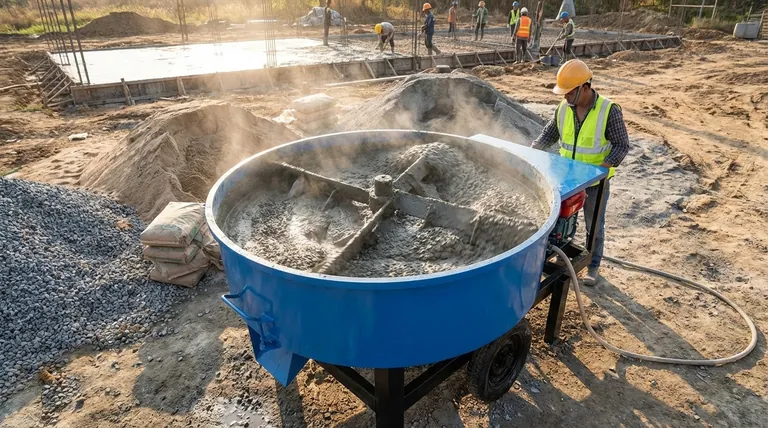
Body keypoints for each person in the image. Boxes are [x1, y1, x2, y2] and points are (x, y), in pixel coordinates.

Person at [530, 60, 630, 286]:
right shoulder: (564, 108)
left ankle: (593, 265)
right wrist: (532, 152)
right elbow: (549, 134)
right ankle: (563, 253)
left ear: (584, 87)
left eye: (569, 92)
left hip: (595, 183)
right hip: (567, 179)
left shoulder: (608, 111)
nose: (564, 97)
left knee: (594, 224)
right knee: (562, 219)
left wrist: (600, 169)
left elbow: (621, 145)